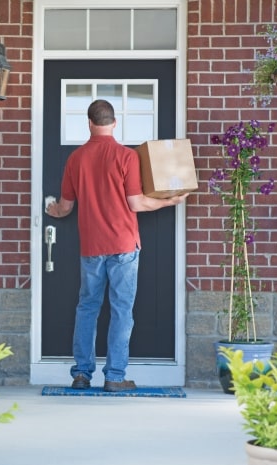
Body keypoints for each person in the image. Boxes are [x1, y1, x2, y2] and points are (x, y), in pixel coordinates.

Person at [45, 99, 188, 392]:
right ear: (114, 122)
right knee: (122, 310)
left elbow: (65, 207)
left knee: (87, 308)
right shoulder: (126, 157)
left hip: (91, 248)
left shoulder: (76, 159)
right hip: (123, 245)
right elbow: (137, 203)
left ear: (89, 123)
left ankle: (82, 375)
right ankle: (114, 377)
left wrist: (52, 211)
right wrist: (169, 201)